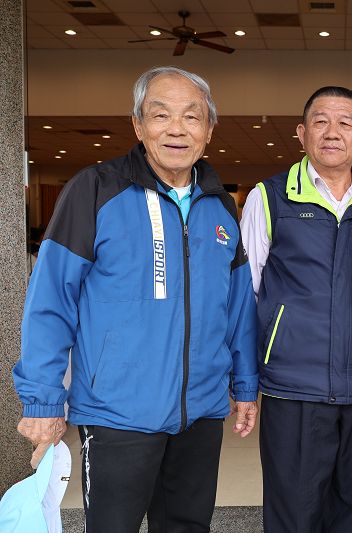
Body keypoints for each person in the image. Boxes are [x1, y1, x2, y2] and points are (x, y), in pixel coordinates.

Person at [13, 66, 259, 533]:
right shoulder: (96, 190)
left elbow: (239, 306)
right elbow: (51, 300)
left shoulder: (220, 204)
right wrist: (43, 399)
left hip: (201, 411)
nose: (176, 129)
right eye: (160, 115)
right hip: (116, 413)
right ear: (138, 125)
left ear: (209, 129)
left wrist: (245, 385)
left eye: (192, 116)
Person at [241, 86, 352, 533]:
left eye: (345, 123)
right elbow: (245, 295)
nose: (332, 132)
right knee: (294, 515)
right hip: (292, 386)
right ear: (302, 134)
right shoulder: (269, 198)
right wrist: (244, 379)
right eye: (320, 122)